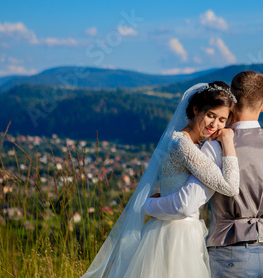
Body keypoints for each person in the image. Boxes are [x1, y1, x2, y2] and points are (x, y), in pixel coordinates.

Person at [81, 81, 240, 278]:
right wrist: (228, 142)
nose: (215, 125)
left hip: (176, 229)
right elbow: (231, 187)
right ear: (196, 109)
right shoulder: (184, 145)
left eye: (222, 120)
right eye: (210, 116)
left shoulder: (188, 142)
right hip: (174, 235)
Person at [145, 70, 263, 278]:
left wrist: (148, 205)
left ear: (232, 105)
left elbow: (189, 202)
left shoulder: (215, 147)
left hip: (228, 255)